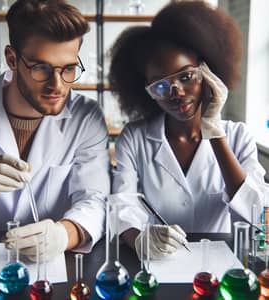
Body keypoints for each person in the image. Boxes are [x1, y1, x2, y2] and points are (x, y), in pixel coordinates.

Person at [108, 1, 268, 259]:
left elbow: (260, 216)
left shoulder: (238, 137)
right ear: (145, 91)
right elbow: (122, 205)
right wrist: (139, 239)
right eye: (161, 86)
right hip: (156, 263)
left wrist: (214, 133)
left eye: (186, 77)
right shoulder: (134, 138)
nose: (177, 94)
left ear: (208, 72)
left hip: (220, 269)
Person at [0, 0, 110, 261]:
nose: (57, 86)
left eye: (68, 68)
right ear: (12, 59)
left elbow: (94, 201)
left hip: (51, 268)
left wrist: (62, 235)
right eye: (41, 68)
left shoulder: (86, 117)